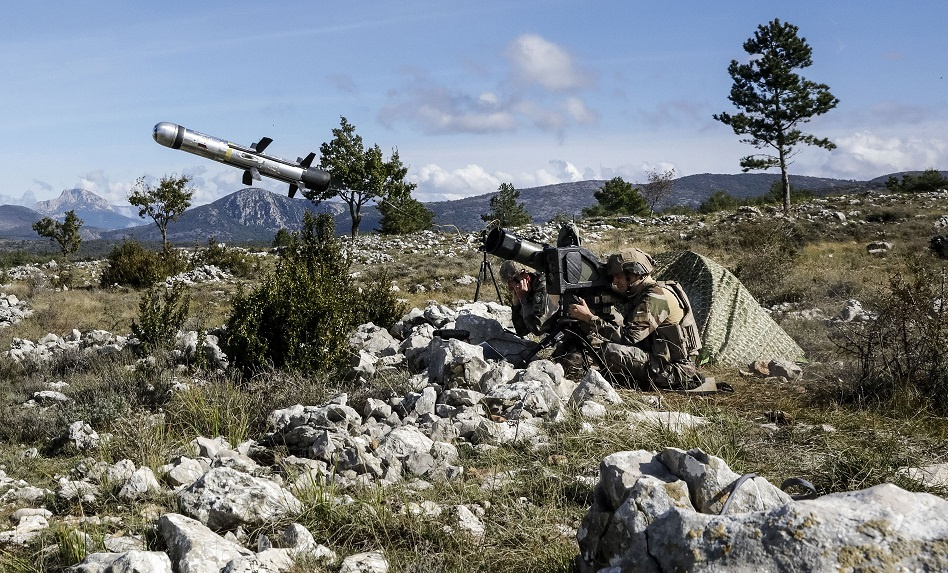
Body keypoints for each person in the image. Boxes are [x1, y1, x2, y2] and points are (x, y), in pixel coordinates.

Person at [567, 248, 704, 390]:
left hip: (676, 370)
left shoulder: (656, 297)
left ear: (634, 274)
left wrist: (589, 318)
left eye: (618, 276)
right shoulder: (648, 291)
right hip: (665, 359)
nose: (615, 281)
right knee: (612, 325)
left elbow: (629, 337)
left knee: (609, 351)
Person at [498, 260, 557, 337]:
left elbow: (537, 328)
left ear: (525, 276)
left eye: (511, 282)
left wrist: (524, 300)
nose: (509, 289)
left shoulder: (544, 287)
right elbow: (521, 331)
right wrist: (516, 305)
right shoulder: (527, 289)